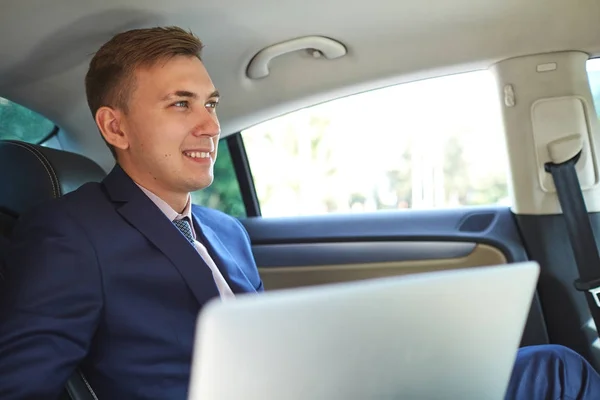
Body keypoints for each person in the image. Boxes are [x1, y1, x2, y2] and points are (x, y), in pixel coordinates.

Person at [0, 26, 598, 400]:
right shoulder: (72, 230)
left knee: (555, 369)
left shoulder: (225, 231)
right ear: (115, 126)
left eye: (210, 103)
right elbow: (21, 386)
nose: (210, 125)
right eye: (180, 105)